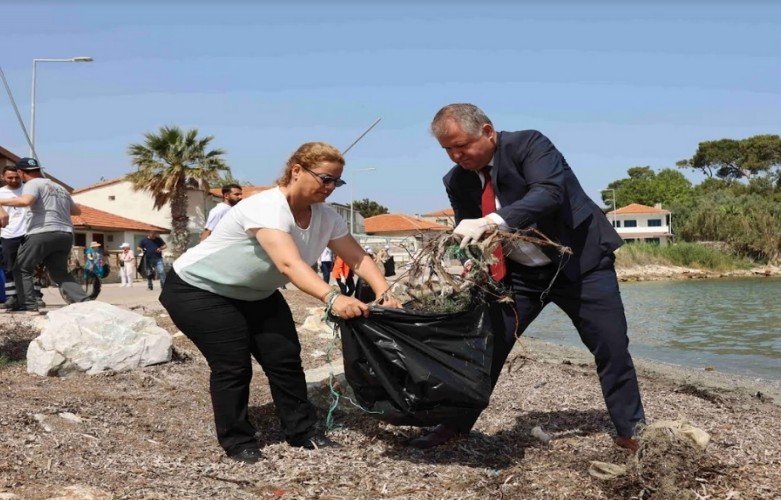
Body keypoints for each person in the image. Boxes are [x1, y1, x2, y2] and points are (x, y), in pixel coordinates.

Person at [408, 103, 645, 452]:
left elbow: (549, 193)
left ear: (487, 132)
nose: (457, 156)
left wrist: (491, 221)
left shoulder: (529, 145)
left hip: (580, 265)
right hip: (519, 277)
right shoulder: (456, 181)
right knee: (486, 347)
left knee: (611, 346)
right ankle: (454, 424)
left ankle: (632, 432)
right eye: (448, 150)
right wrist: (473, 259)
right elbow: (471, 233)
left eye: (463, 145)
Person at [158, 141, 401, 464]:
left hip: (256, 294)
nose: (329, 188)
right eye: (324, 178)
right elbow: (289, 264)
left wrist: (385, 291)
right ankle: (238, 440)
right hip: (199, 289)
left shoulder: (327, 217)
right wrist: (333, 297)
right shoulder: (266, 207)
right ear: (296, 170)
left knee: (284, 358)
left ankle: (302, 431)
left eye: (336, 182)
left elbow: (357, 257)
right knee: (233, 365)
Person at [0, 157, 89, 312]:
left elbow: (26, 201)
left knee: (21, 268)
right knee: (59, 273)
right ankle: (86, 302)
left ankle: (29, 305)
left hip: (43, 232)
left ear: (21, 172)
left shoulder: (32, 184)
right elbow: (76, 211)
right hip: (65, 234)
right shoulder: (58, 187)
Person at [0, 166, 28, 310]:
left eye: (16, 177)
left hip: (29, 232)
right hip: (8, 234)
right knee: (9, 267)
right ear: (3, 177)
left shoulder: (28, 189)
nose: (14, 180)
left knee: (30, 265)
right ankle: (12, 297)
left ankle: (35, 295)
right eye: (10, 177)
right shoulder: (0, 193)